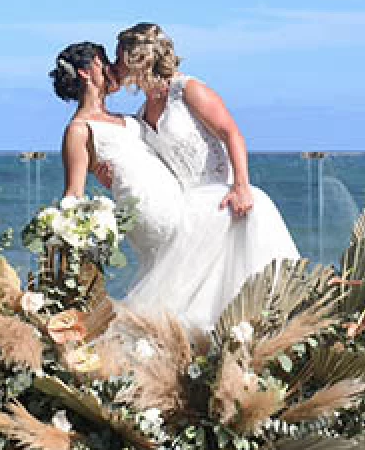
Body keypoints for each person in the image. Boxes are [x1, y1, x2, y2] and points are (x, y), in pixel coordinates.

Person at [110, 22, 300, 324]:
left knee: (234, 293)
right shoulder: (141, 113)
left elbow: (232, 133)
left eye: (119, 57)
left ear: (140, 59)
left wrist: (241, 186)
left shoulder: (188, 91)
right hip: (188, 209)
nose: (115, 64)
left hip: (224, 201)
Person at [50, 42, 183, 287]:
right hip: (149, 216)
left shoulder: (129, 119)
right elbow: (74, 194)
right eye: (106, 62)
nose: (114, 68)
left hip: (175, 201)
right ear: (86, 71)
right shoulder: (78, 129)